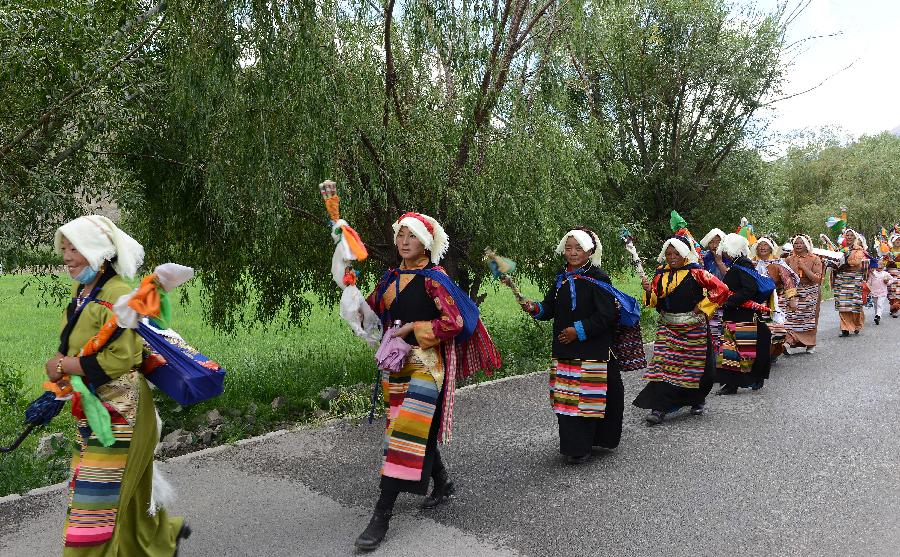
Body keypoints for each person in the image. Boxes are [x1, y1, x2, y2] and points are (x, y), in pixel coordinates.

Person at [357, 212, 501, 551]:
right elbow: (373, 315)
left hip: (426, 367)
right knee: (411, 431)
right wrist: (352, 296)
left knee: (405, 432)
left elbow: (453, 322)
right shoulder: (389, 278)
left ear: (425, 243)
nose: (404, 242)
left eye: (411, 236)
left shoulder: (434, 279)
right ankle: (444, 483)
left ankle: (381, 515)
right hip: (396, 367)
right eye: (401, 236)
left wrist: (412, 329)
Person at [46, 215, 189, 556]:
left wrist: (67, 364)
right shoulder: (83, 290)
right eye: (63, 248)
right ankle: (161, 539)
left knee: (95, 506)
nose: (66, 256)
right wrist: (58, 366)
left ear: (97, 252)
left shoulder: (119, 296)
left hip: (121, 413)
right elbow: (74, 341)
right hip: (96, 412)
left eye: (74, 249)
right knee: (126, 495)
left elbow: (122, 358)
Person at [521, 228, 624, 464]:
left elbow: (606, 315)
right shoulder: (561, 278)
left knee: (587, 400)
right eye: (568, 248)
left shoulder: (599, 279)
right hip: (565, 351)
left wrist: (577, 331)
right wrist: (536, 309)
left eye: (578, 248)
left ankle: (584, 446)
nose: (572, 252)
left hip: (591, 351)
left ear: (590, 251)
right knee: (568, 399)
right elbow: (550, 307)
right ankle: (574, 446)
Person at [633, 236, 730, 425]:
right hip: (668, 327)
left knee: (692, 368)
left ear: (685, 254)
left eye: (676, 253)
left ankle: (696, 398)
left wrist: (702, 307)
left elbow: (722, 289)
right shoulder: (660, 274)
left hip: (693, 327)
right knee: (662, 367)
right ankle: (659, 407)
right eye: (668, 253)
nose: (672, 257)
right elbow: (655, 301)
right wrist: (648, 291)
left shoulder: (697, 272)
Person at [714, 233, 774, 395]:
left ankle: (735, 384)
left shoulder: (739, 268)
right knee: (738, 348)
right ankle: (740, 382)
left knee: (736, 349)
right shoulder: (743, 266)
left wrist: (730, 302)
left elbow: (750, 289)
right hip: (741, 314)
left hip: (740, 315)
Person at [750, 237, 799, 360]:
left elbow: (787, 281)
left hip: (776, 300)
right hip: (757, 301)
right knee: (760, 328)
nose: (762, 247)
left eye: (765, 245)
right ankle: (761, 354)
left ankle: (774, 353)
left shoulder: (778, 263)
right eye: (760, 245)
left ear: (771, 248)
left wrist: (792, 298)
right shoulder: (751, 264)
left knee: (777, 329)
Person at [784, 235, 825, 353]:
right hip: (793, 291)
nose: (798, 245)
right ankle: (790, 342)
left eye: (801, 243)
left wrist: (804, 268)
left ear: (806, 245)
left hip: (810, 291)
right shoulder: (789, 259)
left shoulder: (815, 259)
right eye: (796, 243)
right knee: (792, 317)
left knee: (808, 318)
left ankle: (810, 344)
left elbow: (817, 279)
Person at [832, 229, 869, 336]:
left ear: (855, 237)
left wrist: (846, 260)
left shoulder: (859, 249)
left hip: (854, 278)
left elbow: (856, 262)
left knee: (855, 303)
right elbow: (835, 261)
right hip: (841, 278)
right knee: (843, 304)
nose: (849, 237)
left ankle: (856, 324)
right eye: (847, 235)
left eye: (851, 235)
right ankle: (845, 328)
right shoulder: (840, 249)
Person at [699, 228, 730, 348]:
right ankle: (714, 352)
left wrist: (719, 261)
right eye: (712, 242)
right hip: (710, 297)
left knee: (725, 325)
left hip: (727, 296)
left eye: (718, 242)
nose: (715, 245)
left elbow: (729, 277)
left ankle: (724, 353)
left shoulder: (728, 257)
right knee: (712, 326)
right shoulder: (705, 257)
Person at [867, 260, 895, 325]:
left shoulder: (885, 273)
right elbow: (869, 282)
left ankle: (878, 315)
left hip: (883, 292)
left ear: (883, 266)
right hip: (874, 292)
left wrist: (888, 282)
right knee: (876, 305)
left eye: (881, 265)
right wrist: (868, 289)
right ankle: (877, 316)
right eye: (878, 265)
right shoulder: (872, 273)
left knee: (880, 304)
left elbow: (892, 279)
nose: (880, 266)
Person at [883, 234, 900, 318]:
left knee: (898, 292)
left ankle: (895, 309)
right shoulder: (888, 252)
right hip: (891, 273)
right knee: (892, 292)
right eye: (897, 240)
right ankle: (893, 307)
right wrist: (889, 262)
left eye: (899, 240)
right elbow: (884, 263)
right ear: (893, 241)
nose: (898, 241)